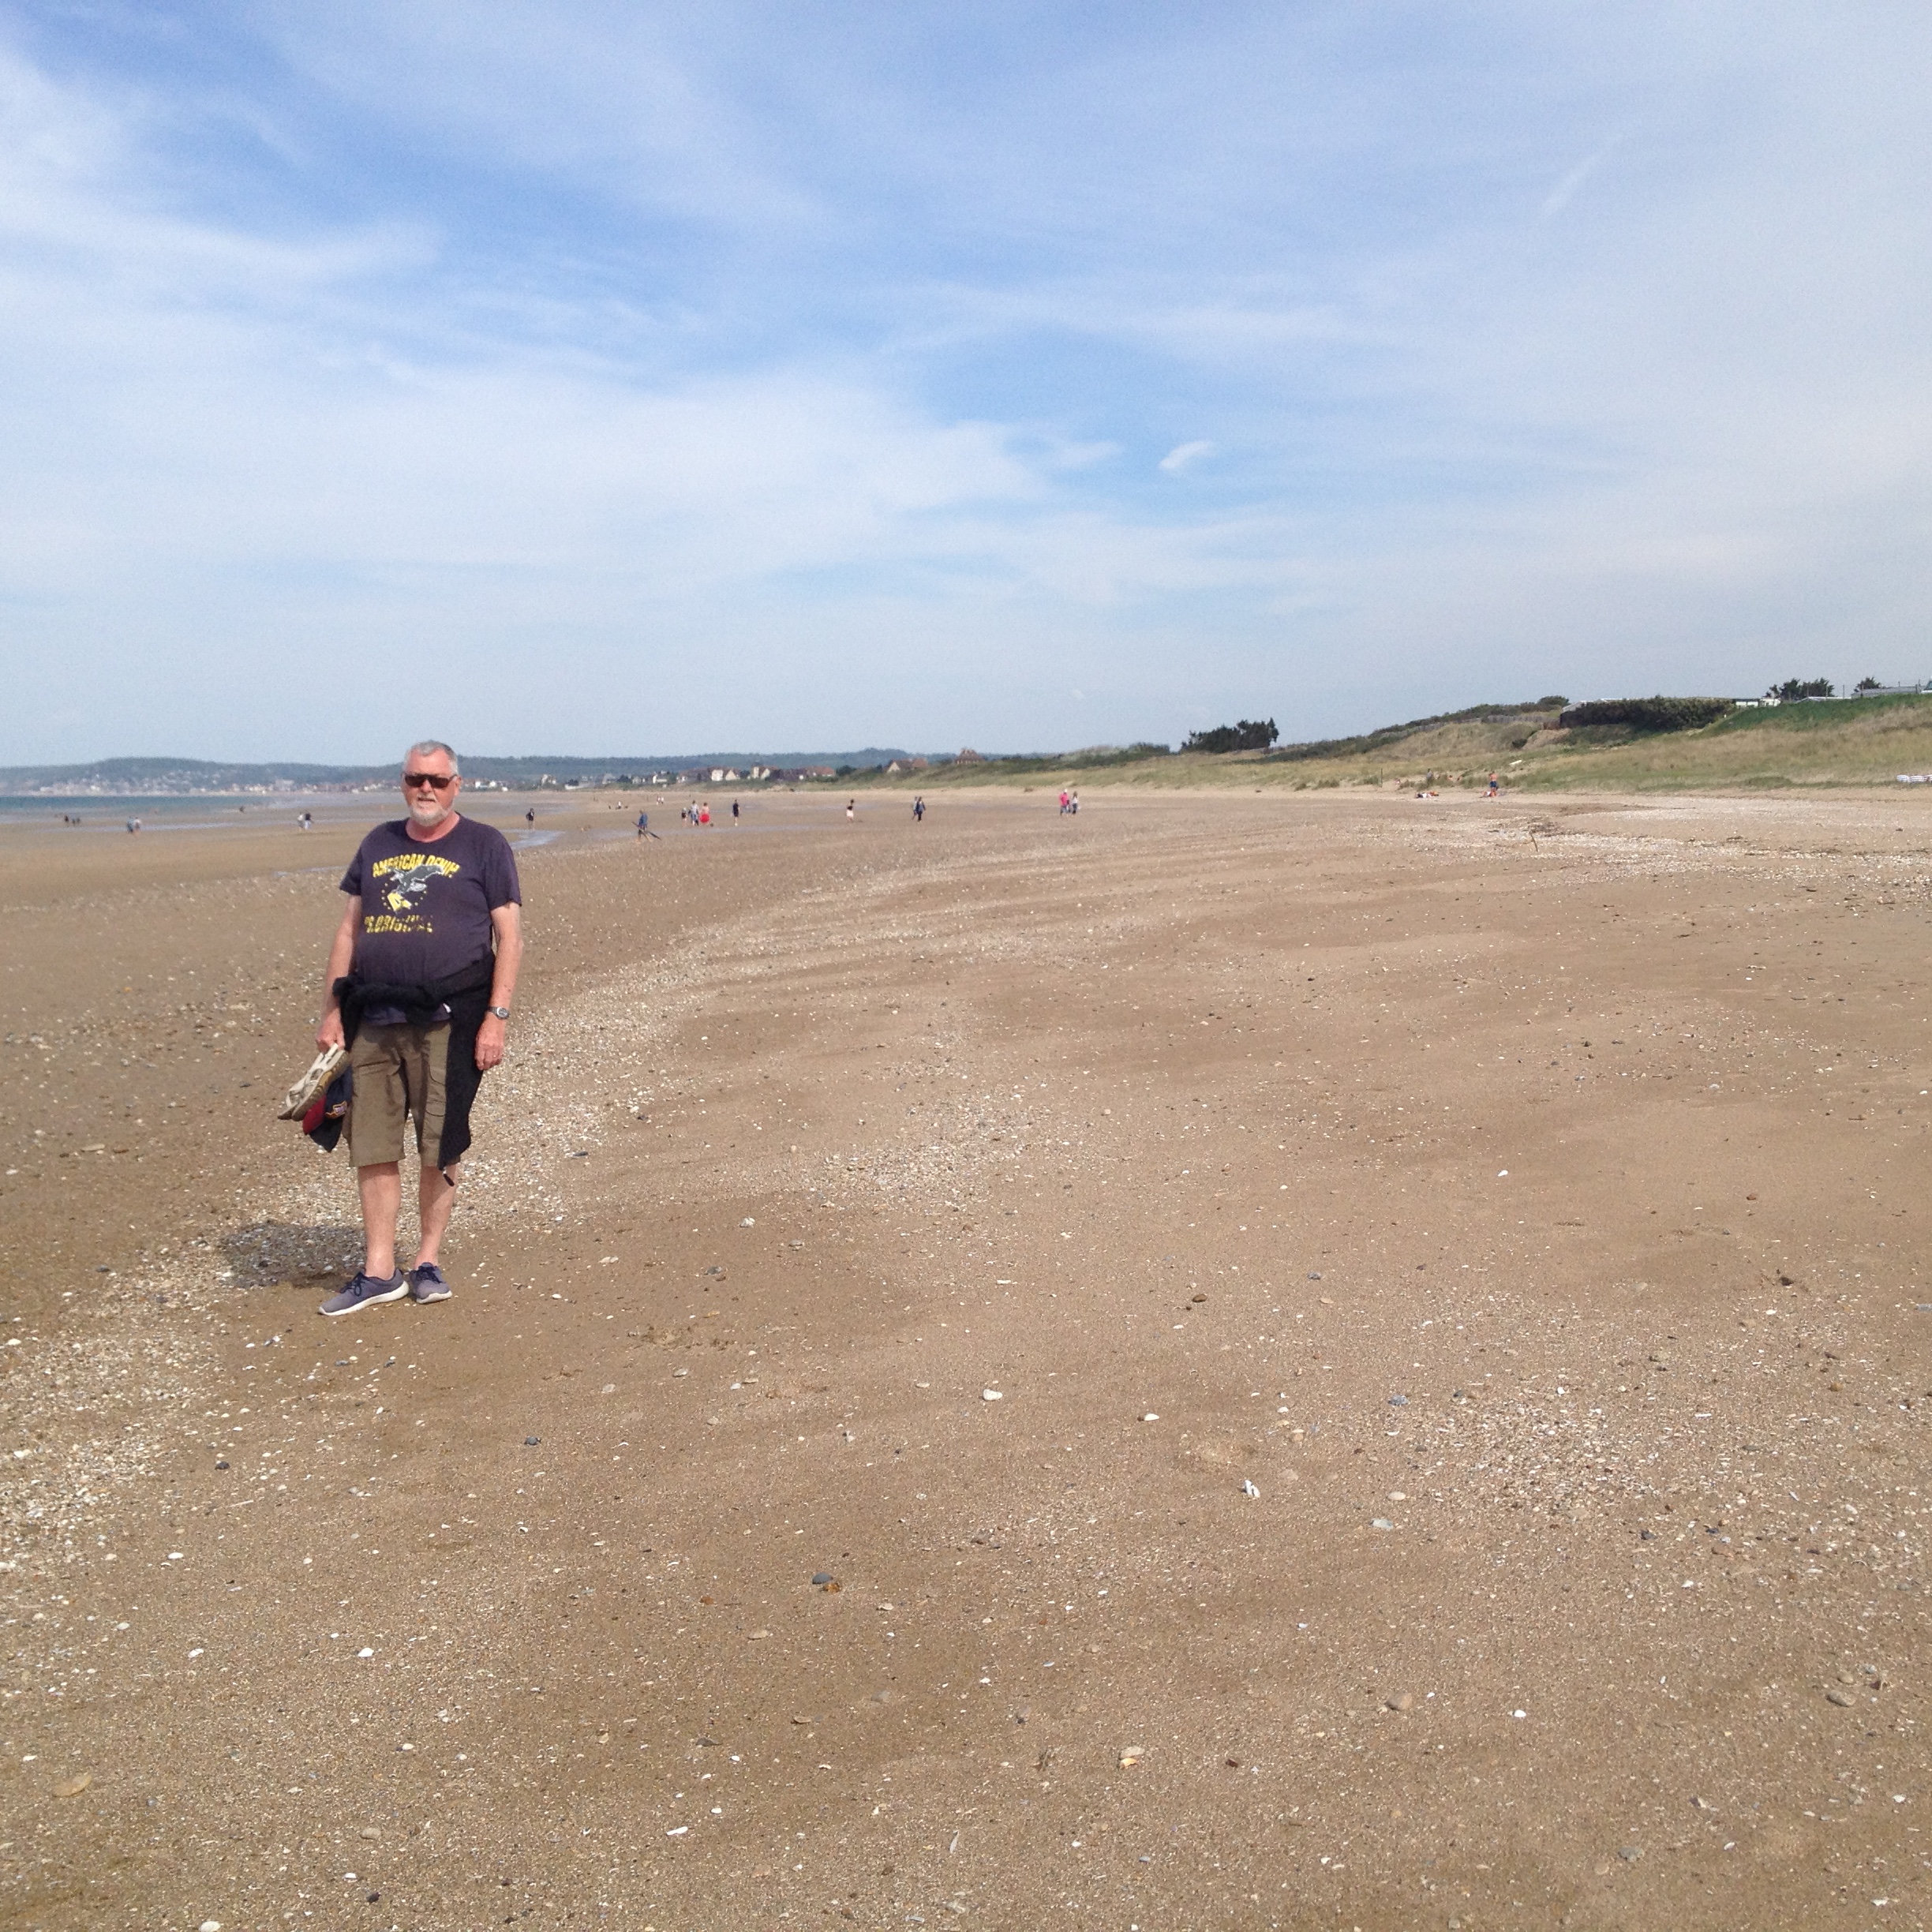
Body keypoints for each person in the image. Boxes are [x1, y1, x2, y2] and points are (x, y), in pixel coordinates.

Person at [312, 740, 522, 1318]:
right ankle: (379, 1270)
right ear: (402, 783)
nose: (424, 789)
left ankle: (426, 1261)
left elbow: (510, 937)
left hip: (450, 1019)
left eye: (436, 780)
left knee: (440, 1141)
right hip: (374, 1017)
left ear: (457, 785)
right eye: (414, 779)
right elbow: (349, 931)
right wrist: (331, 1011)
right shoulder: (378, 843)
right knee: (372, 1144)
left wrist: (497, 1018)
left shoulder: (484, 845)